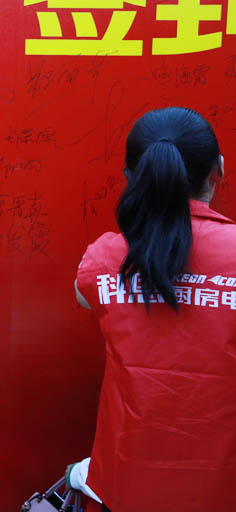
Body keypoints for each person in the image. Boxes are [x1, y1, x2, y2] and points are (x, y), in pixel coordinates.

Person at [73, 107, 236, 512]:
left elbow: (85, 295)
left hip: (123, 487)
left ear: (132, 177)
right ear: (217, 170)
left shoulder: (105, 258)